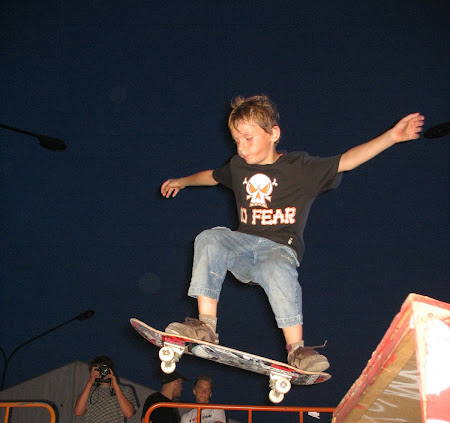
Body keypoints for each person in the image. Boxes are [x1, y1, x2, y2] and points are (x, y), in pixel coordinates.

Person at [161, 95, 424, 371]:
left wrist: (392, 137)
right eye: (237, 141)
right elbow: (213, 176)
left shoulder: (300, 168)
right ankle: (205, 326)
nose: (241, 149)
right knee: (210, 238)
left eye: (248, 139)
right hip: (242, 248)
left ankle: (297, 350)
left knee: (277, 267)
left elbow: (346, 161)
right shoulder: (239, 168)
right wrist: (182, 181)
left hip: (278, 250)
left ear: (273, 133)